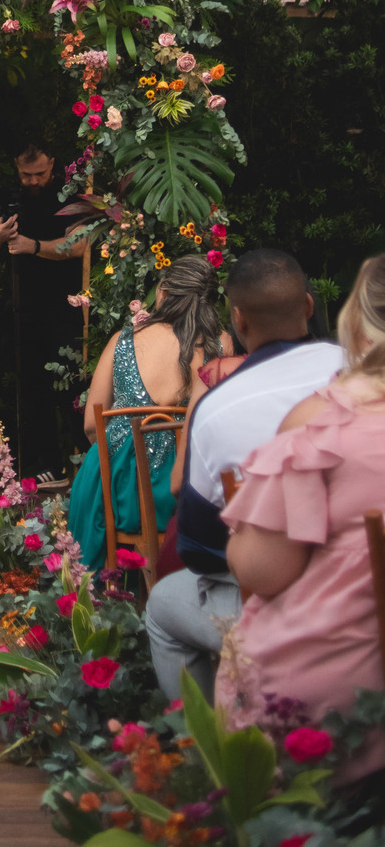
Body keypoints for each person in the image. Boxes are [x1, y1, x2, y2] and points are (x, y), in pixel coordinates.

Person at [144, 248, 344, 701]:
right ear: (308, 305)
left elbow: (199, 545)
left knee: (162, 603)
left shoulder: (218, 409)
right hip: (366, 583)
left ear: (238, 319)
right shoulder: (359, 372)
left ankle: (205, 736)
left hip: (274, 603)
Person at [219, 254, 385, 782]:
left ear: (360, 330)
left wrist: (241, 535)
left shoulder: (323, 424)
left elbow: (262, 571)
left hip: (344, 693)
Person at [68, 257, 229, 569]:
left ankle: (101, 586)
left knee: (95, 475)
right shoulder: (221, 345)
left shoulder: (124, 341)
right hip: (188, 490)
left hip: (119, 494)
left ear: (163, 293)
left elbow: (90, 426)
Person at [0, 140, 85, 476]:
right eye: (27, 175)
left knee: (71, 388)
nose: (34, 181)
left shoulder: (69, 196)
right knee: (33, 390)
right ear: (17, 167)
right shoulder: (12, 197)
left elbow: (79, 245)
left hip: (65, 308)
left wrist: (34, 246)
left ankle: (86, 463)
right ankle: (49, 465)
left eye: (39, 173)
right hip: (24, 309)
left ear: (52, 164)